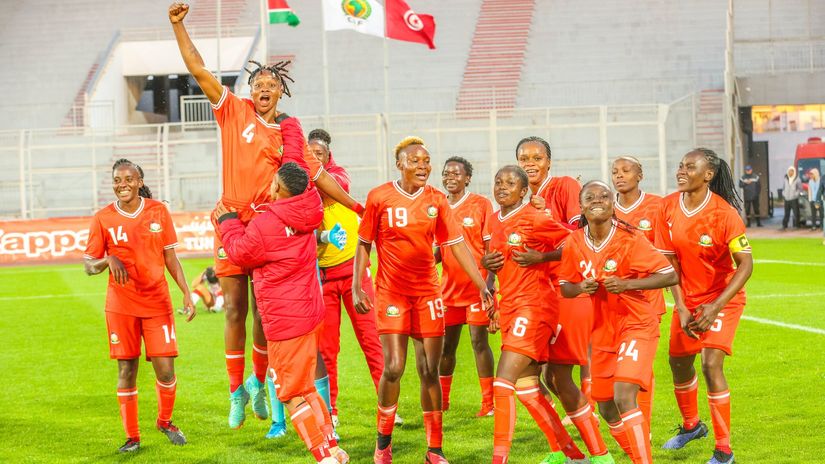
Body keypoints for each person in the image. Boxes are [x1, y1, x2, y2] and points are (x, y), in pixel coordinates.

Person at [169, 2, 361, 430]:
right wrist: (180, 26)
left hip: (268, 232)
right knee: (234, 309)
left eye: (271, 83)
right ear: (250, 89)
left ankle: (259, 382)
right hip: (232, 223)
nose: (263, 87)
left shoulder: (289, 135)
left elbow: (322, 177)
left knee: (263, 314)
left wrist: (358, 208)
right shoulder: (232, 111)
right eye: (257, 82)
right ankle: (236, 391)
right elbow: (198, 68)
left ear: (281, 92)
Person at [353, 136, 494, 464]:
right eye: (415, 161)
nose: (423, 166)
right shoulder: (379, 197)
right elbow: (363, 243)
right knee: (394, 367)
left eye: (426, 161)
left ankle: (434, 450)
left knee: (429, 369)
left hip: (428, 294)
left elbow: (457, 245)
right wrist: (357, 285)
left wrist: (482, 286)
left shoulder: (437, 201)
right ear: (400, 164)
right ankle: (383, 443)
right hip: (391, 293)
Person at [216, 162, 347, 464]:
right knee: (305, 387)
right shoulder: (310, 210)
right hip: (310, 312)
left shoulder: (268, 224)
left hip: (286, 320)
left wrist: (227, 221)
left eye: (273, 182)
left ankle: (322, 456)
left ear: (276, 188)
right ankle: (333, 448)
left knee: (289, 393)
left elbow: (238, 252)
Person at [559, 181, 678, 464]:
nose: (597, 200)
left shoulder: (630, 238)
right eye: (590, 197)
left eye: (604, 196)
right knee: (607, 408)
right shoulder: (575, 242)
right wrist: (581, 288)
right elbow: (565, 286)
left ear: (613, 205)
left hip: (636, 323)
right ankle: (639, 456)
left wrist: (625, 284)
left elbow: (670, 274)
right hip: (601, 331)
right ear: (581, 206)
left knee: (624, 396)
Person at [83, 159, 195, 453]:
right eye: (117, 180)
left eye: (129, 179)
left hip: (157, 302)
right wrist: (107, 259)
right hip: (121, 306)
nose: (123, 185)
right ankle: (132, 437)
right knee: (126, 370)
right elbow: (88, 266)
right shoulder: (103, 218)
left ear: (139, 180)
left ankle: (165, 421)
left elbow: (171, 257)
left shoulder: (158, 211)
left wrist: (186, 292)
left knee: (166, 371)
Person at [481, 166, 588, 464]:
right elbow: (497, 263)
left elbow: (574, 243)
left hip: (535, 305)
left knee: (502, 382)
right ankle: (575, 457)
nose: (503, 187)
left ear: (524, 191)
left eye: (510, 183)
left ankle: (498, 459)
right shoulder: (494, 220)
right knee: (528, 390)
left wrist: (542, 257)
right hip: (511, 305)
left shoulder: (534, 217)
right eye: (498, 181)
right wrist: (486, 264)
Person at [656, 148, 753, 464]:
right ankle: (692, 426)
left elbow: (746, 264)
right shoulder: (668, 207)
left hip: (722, 300)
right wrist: (681, 307)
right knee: (678, 363)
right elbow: (669, 263)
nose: (681, 171)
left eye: (689, 167)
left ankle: (724, 451)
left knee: (711, 365)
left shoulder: (725, 214)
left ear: (708, 174)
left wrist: (715, 306)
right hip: (688, 300)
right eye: (680, 166)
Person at [515, 136, 600, 461]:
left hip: (568, 291)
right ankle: (566, 448)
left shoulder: (563, 186)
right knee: (544, 376)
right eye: (524, 158)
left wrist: (545, 218)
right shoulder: (520, 197)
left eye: (537, 157)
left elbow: (578, 235)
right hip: (538, 296)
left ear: (549, 162)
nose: (531, 163)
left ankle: (590, 445)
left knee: (555, 372)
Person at [308, 128, 386, 431]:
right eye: (310, 154)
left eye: (320, 155)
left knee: (372, 342)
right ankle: (331, 410)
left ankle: (386, 403)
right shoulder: (303, 186)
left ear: (329, 157)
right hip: (323, 278)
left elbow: (325, 188)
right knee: (327, 349)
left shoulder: (338, 176)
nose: (315, 159)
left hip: (356, 274)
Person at [434, 156, 496, 417]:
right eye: (447, 173)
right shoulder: (437, 207)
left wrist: (490, 286)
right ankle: (443, 401)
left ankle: (488, 404)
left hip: (477, 289)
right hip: (448, 291)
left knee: (478, 342)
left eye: (457, 174)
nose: (451, 178)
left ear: (467, 177)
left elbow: (491, 250)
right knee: (446, 347)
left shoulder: (480, 205)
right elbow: (438, 250)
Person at [610, 155, 665, 429]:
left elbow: (667, 255)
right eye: (615, 171)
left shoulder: (657, 206)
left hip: (647, 301)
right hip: (612, 303)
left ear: (639, 174)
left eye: (625, 170)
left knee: (641, 366)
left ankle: (644, 428)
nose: (619, 175)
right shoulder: (606, 208)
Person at [782, 166, 802, 230]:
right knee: (786, 213)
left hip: (794, 199)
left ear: (794, 172)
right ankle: (784, 225)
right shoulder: (785, 178)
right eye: (790, 171)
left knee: (796, 213)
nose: (791, 172)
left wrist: (795, 194)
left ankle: (797, 225)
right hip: (787, 199)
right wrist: (784, 194)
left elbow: (800, 189)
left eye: (792, 171)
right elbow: (784, 187)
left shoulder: (797, 179)